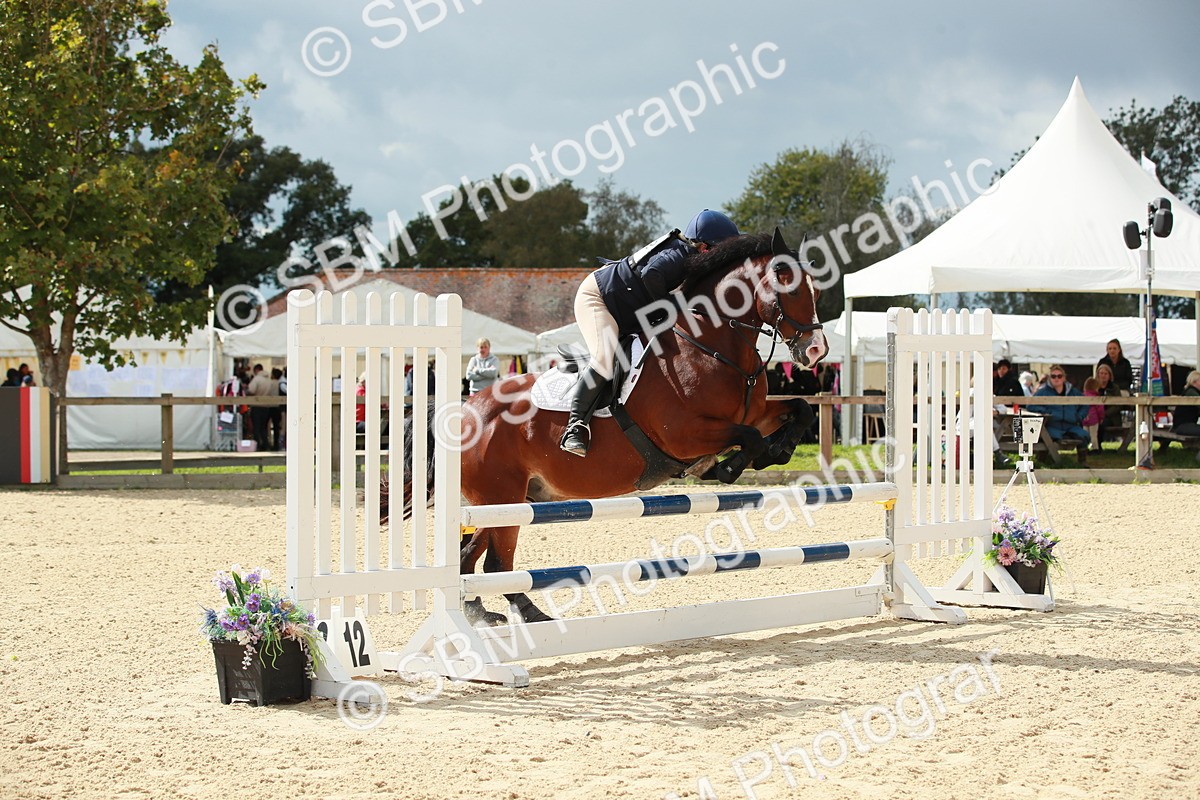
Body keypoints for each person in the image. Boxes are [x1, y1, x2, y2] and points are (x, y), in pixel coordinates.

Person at [560, 209, 741, 457]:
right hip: (598, 298)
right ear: (705, 248)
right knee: (605, 358)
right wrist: (671, 306)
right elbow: (651, 274)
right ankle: (574, 427)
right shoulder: (679, 254)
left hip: (628, 310)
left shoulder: (692, 261)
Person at [1030, 364, 1089, 456]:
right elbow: (1031, 405)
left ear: (1064, 378)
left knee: (1084, 435)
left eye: (1059, 376)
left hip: (1071, 425)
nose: (1056, 379)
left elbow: (1085, 403)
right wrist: (1046, 412)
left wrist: (1079, 416)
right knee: (1046, 437)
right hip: (1052, 426)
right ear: (1050, 378)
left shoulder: (1073, 392)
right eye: (1053, 376)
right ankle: (1044, 459)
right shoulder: (1043, 392)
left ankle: (1082, 461)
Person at [246, 363, 273, 451]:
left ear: (256, 370)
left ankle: (257, 445)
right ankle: (266, 445)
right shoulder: (269, 380)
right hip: (267, 406)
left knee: (256, 427)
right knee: (264, 428)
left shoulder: (257, 379)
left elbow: (251, 390)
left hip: (257, 405)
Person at [1172, 370, 1200, 437]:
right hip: (1183, 426)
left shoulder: (1190, 390)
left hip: (1184, 425)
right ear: (1194, 381)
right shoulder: (1191, 392)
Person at [1081, 377, 1105, 452]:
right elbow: (1100, 409)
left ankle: (1084, 448)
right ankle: (1095, 449)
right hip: (1094, 419)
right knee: (1093, 435)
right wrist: (1101, 418)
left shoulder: (1082, 396)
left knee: (1085, 434)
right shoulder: (1096, 397)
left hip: (1084, 418)